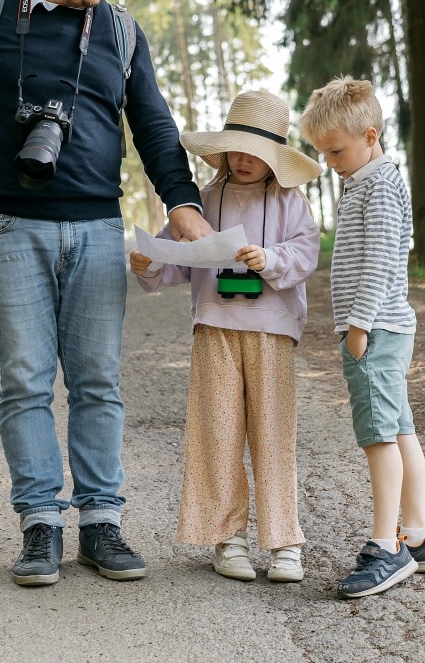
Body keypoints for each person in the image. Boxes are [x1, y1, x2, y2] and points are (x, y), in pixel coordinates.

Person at [0, 0, 213, 588]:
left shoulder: (119, 31)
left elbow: (153, 125)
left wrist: (182, 202)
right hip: (6, 223)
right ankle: (39, 527)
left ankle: (101, 522)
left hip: (96, 226)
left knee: (98, 381)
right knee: (24, 380)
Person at [129, 90, 323, 583]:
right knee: (217, 434)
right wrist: (149, 263)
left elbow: (305, 252)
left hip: (271, 333)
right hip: (214, 327)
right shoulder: (202, 200)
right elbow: (173, 260)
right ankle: (226, 537)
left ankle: (284, 542)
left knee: (273, 434)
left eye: (253, 152)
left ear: (274, 157)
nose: (242, 159)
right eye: (233, 149)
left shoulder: (290, 201)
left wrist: (272, 259)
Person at [298, 77, 425, 598]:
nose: (331, 162)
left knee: (379, 436)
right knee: (400, 428)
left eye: (336, 150)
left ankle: (387, 546)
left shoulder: (379, 184)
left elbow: (385, 260)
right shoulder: (365, 179)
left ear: (370, 134)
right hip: (380, 327)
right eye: (324, 152)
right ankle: (421, 536)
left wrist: (358, 324)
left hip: (376, 328)